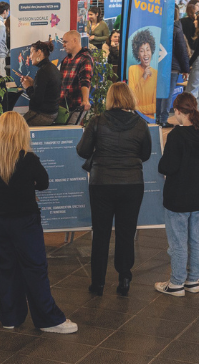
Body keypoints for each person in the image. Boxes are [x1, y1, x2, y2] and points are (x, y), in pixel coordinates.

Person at [0, 112, 78, 333]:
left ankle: (10, 317)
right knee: (35, 267)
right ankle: (48, 319)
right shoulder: (29, 159)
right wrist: (29, 188)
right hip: (25, 221)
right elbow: (44, 183)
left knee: (6, 268)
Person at [76, 83, 151, 296]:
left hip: (102, 183)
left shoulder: (97, 121)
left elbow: (83, 151)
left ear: (110, 99)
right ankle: (124, 278)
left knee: (101, 233)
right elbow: (144, 155)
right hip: (132, 184)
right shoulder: (141, 124)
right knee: (126, 233)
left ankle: (98, 283)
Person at [156, 92, 199, 297]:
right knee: (196, 240)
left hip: (177, 199)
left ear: (179, 111)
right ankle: (193, 280)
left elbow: (167, 167)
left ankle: (176, 284)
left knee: (178, 242)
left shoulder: (175, 136)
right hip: (197, 197)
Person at [157, 7, 190, 127]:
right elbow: (182, 50)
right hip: (172, 67)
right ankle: (163, 119)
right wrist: (186, 69)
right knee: (167, 94)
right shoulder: (176, 28)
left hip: (159, 65)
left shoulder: (158, 27)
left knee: (159, 93)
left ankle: (157, 118)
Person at [20, 40, 62, 126]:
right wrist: (34, 83)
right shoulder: (51, 68)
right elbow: (47, 90)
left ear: (39, 52)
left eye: (31, 53)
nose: (30, 57)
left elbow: (37, 100)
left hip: (43, 115)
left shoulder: (43, 71)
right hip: (51, 113)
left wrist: (28, 87)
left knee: (18, 128)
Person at [59, 31, 93, 124]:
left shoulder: (85, 58)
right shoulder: (66, 60)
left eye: (65, 42)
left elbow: (85, 80)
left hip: (76, 106)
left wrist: (85, 100)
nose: (63, 45)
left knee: (70, 135)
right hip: (62, 106)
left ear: (75, 40)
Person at [128, 29, 158, 120]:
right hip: (135, 118)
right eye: (142, 51)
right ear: (137, 54)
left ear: (151, 52)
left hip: (150, 120)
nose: (145, 54)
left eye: (148, 50)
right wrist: (143, 77)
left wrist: (137, 109)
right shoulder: (132, 69)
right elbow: (132, 98)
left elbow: (155, 107)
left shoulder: (156, 74)